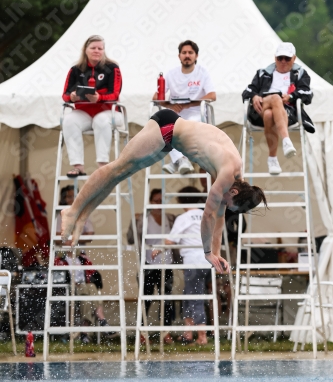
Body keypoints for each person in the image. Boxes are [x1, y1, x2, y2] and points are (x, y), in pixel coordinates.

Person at [61, 109, 267, 275]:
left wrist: (215, 253)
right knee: (117, 168)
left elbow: (219, 220)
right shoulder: (225, 176)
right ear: (233, 191)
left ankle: (82, 216)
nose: (224, 204)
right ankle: (72, 211)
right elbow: (207, 218)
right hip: (165, 127)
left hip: (169, 143)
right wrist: (207, 253)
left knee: (119, 177)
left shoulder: (234, 182)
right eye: (228, 202)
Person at [242, 42, 315, 175]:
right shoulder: (262, 73)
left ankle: (272, 159)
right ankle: (286, 141)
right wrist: (254, 96)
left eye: (287, 58)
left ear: (294, 58)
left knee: (270, 114)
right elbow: (246, 91)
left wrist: (291, 96)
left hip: (288, 112)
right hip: (259, 112)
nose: (283, 61)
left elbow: (308, 94)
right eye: (280, 58)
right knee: (275, 97)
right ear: (275, 58)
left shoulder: (301, 74)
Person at [62, 35, 123, 178]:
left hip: (110, 112)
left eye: (100, 48)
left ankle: (102, 165)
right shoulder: (76, 70)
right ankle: (78, 167)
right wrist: (72, 97)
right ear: (85, 50)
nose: (97, 51)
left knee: (101, 121)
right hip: (84, 112)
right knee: (69, 120)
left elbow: (115, 94)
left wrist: (99, 97)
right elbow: (65, 94)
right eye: (93, 48)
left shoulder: (112, 67)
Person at [55, 185, 110, 343]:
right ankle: (97, 323)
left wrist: (72, 235)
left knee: (90, 289)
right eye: (69, 196)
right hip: (70, 286)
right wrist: (78, 235)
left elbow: (90, 235)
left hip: (83, 286)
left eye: (74, 196)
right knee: (87, 292)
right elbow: (59, 236)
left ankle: (89, 329)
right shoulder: (61, 259)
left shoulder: (82, 258)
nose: (72, 199)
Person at [152, 40, 216, 175]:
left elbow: (212, 95)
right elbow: (156, 97)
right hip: (176, 113)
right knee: (162, 124)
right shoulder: (171, 74)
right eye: (184, 53)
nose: (187, 55)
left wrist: (189, 104)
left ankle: (177, 161)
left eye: (190, 53)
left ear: (196, 56)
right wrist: (171, 105)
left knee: (186, 125)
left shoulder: (203, 73)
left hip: (197, 113)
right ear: (179, 56)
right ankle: (181, 160)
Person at [127, 188, 179, 345]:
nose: (158, 204)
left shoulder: (171, 218)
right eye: (155, 201)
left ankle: (166, 332)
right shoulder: (142, 219)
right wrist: (134, 222)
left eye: (161, 201)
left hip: (167, 263)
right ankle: (141, 333)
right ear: (150, 202)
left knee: (166, 300)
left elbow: (177, 239)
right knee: (146, 299)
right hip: (148, 264)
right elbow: (130, 239)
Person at [165, 186, 210, 345]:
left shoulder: (184, 218)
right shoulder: (206, 215)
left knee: (194, 298)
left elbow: (170, 241)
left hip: (192, 262)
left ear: (181, 201)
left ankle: (202, 336)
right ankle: (188, 332)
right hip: (207, 262)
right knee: (189, 295)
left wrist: (157, 248)